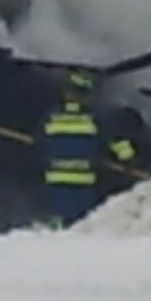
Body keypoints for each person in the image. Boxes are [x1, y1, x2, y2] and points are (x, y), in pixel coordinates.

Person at [41, 69, 107, 227]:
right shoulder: (94, 120)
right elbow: (111, 143)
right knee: (81, 224)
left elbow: (40, 143)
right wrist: (129, 158)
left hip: (56, 178)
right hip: (84, 181)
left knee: (60, 219)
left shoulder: (51, 117)